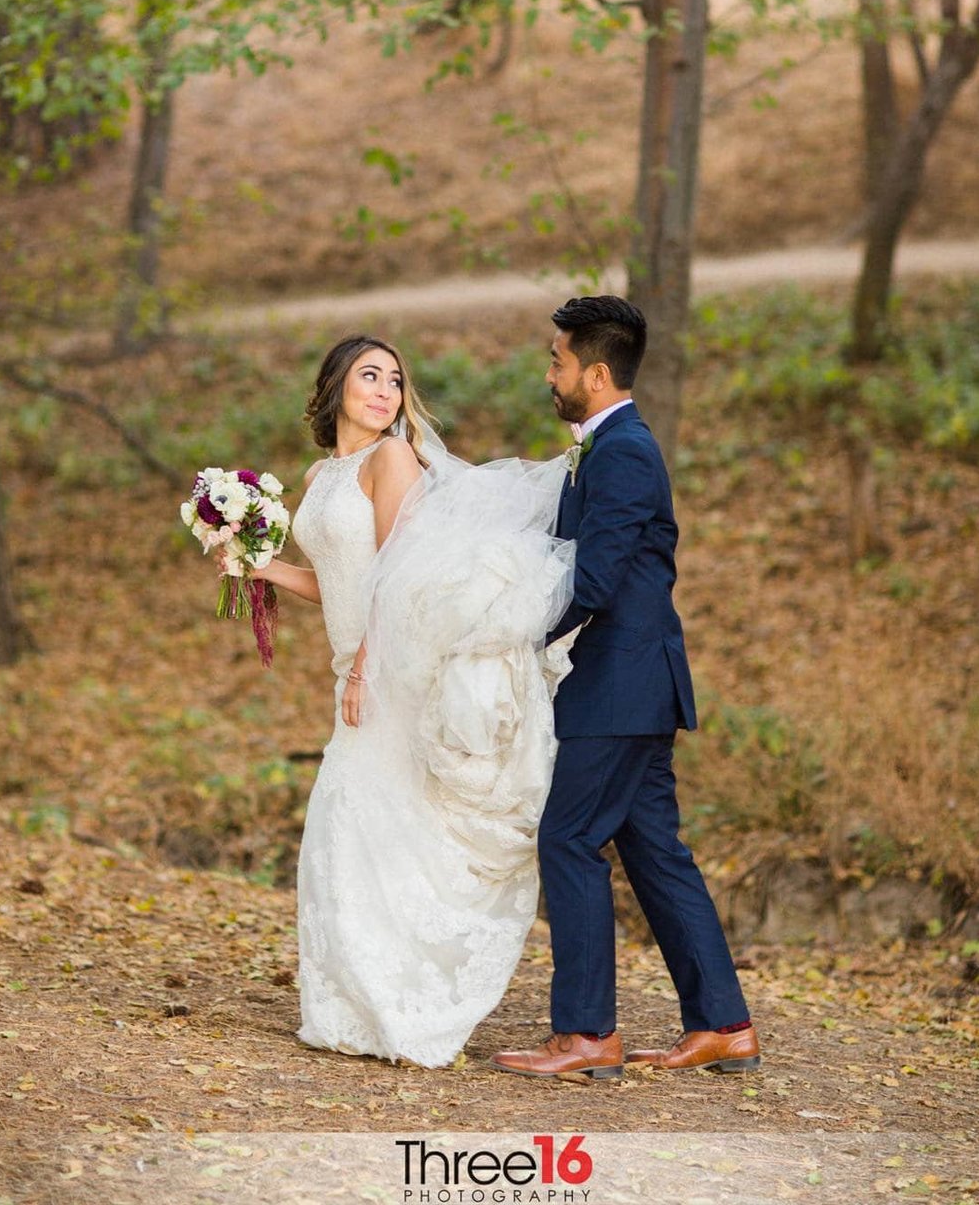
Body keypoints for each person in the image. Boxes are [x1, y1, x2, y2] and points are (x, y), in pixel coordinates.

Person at [234, 333, 575, 1068]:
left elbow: (401, 571)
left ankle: (409, 1006)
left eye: (394, 379)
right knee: (360, 830)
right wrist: (263, 570)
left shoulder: (392, 458)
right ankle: (352, 1009)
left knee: (360, 821)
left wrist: (366, 666)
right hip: (352, 665)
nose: (385, 390)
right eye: (369, 376)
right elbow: (340, 578)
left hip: (388, 667)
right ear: (335, 387)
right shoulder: (323, 473)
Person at [492, 295, 760, 1080]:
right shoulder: (607, 447)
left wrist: (510, 637)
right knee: (655, 853)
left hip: (616, 682)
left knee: (567, 838)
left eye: (557, 360)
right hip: (635, 684)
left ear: (596, 373)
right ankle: (724, 1024)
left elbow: (595, 576)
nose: (550, 373)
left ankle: (586, 1034)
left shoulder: (625, 452)